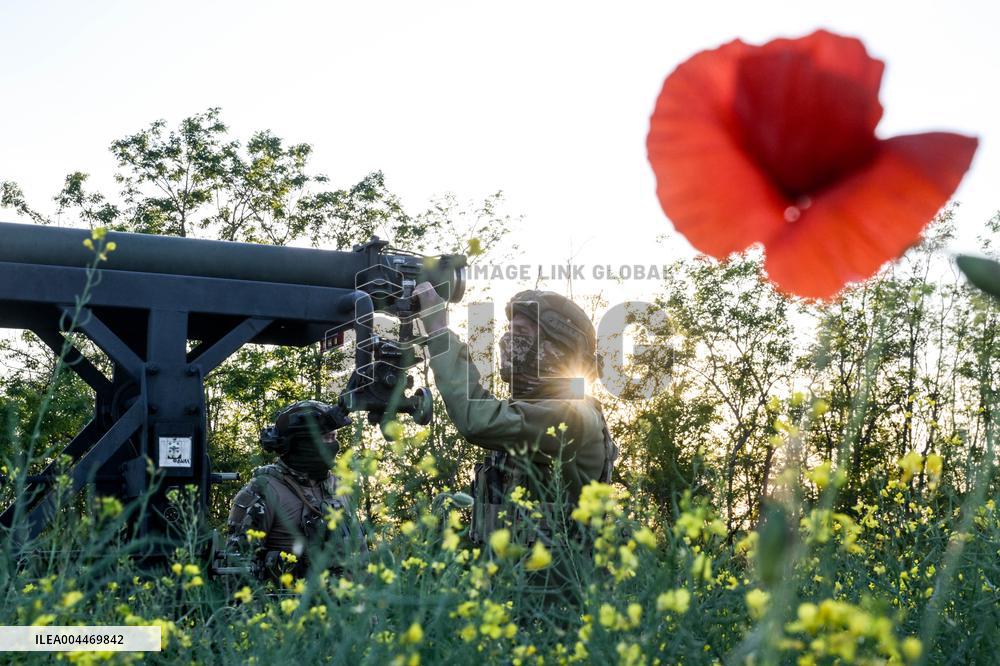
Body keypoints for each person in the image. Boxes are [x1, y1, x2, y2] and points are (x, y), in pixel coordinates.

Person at [414, 283, 618, 571]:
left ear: (559, 348)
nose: (507, 341)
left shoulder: (572, 416)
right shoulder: (535, 409)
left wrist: (438, 330)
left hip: (551, 601)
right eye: (508, 332)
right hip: (510, 590)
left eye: (521, 334)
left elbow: (476, 419)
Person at [224, 399, 366, 581]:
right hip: (288, 606)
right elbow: (235, 573)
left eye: (334, 437)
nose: (334, 445)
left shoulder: (339, 488)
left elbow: (361, 558)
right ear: (302, 442)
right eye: (327, 438)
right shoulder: (262, 492)